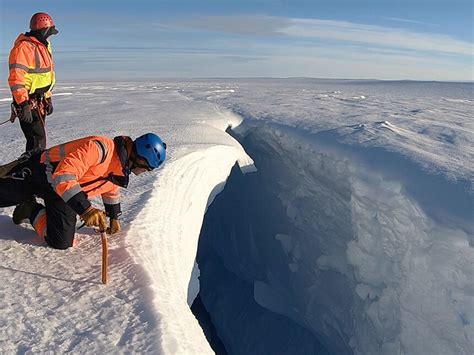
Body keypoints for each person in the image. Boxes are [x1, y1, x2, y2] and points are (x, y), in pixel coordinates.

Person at [0, 133, 167, 249]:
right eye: (144, 169)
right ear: (138, 158)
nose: (140, 173)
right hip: (39, 174)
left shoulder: (121, 166)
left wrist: (114, 216)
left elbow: (110, 187)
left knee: (61, 241)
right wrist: (86, 209)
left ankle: (29, 209)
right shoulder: (100, 148)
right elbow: (63, 175)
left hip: (62, 192)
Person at [8, 12, 58, 151]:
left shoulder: (44, 46)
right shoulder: (23, 48)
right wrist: (23, 104)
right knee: (36, 140)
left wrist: (48, 98)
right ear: (44, 29)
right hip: (27, 101)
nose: (50, 35)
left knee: (39, 139)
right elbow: (16, 78)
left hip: (40, 100)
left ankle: (35, 167)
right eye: (49, 32)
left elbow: (47, 75)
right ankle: (31, 169)